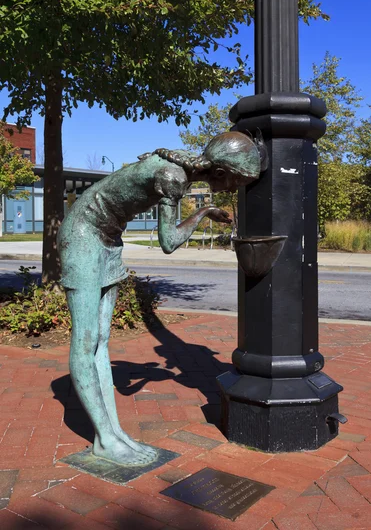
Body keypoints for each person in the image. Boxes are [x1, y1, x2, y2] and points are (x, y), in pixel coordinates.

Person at [57, 131, 262, 466]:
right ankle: (107, 439)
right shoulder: (172, 177)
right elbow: (169, 242)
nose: (232, 190)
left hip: (108, 238)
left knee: (101, 342)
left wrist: (207, 211)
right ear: (221, 171)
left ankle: (110, 435)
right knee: (85, 341)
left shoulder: (181, 168)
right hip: (83, 235)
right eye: (234, 182)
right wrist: (203, 214)